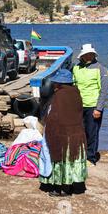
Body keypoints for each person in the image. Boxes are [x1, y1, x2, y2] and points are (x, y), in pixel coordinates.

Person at [40, 69, 88, 197]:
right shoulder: (76, 93)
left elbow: (54, 117)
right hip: (77, 134)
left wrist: (48, 131)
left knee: (60, 160)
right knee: (71, 161)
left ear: (59, 84)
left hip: (62, 135)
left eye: (55, 83)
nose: (54, 85)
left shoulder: (59, 96)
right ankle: (70, 186)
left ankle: (60, 189)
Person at [73, 44, 108, 166]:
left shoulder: (101, 69)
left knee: (92, 132)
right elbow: (73, 86)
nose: (88, 56)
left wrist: (98, 108)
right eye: (86, 54)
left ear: (94, 55)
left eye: (90, 54)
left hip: (93, 106)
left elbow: (103, 91)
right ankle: (80, 155)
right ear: (82, 56)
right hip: (78, 105)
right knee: (79, 131)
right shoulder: (76, 68)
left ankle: (90, 157)